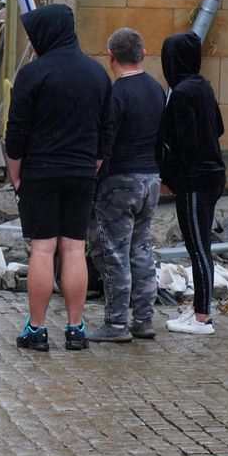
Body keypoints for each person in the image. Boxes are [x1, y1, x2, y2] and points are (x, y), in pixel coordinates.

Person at [4, 4, 111, 352]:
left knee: (43, 248)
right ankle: (76, 328)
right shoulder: (97, 73)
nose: (33, 44)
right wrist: (91, 166)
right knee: (75, 248)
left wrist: (17, 176)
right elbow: (106, 131)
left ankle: (36, 329)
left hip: (40, 173)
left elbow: (15, 133)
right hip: (82, 173)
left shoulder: (33, 75)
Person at [88, 28, 165, 344]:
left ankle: (116, 323)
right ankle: (144, 319)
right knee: (141, 249)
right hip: (151, 179)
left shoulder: (117, 94)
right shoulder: (157, 90)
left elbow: (104, 144)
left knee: (114, 253)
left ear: (111, 57)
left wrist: (92, 175)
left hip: (121, 181)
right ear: (143, 54)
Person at [157, 31, 226, 337]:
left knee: (198, 249)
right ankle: (201, 308)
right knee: (202, 246)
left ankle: (202, 317)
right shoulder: (204, 87)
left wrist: (169, 178)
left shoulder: (182, 94)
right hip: (212, 175)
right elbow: (219, 129)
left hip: (195, 180)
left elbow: (183, 145)